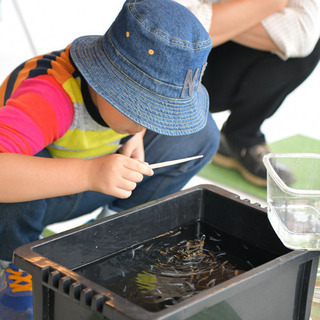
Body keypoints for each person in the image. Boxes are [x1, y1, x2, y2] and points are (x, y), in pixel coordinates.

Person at [0, 0, 219, 318]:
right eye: (143, 111)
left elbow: (143, 122)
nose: (150, 125)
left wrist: (135, 134)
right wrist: (90, 174)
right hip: (32, 193)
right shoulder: (50, 95)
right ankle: (14, 264)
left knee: (201, 136)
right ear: (105, 80)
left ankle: (112, 233)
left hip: (99, 173)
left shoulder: (121, 111)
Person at [175, 0, 320, 187]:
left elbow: (303, 34)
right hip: (178, 57)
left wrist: (228, 18)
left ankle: (241, 137)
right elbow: (172, 24)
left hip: (214, 43)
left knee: (310, 44)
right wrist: (269, 6)